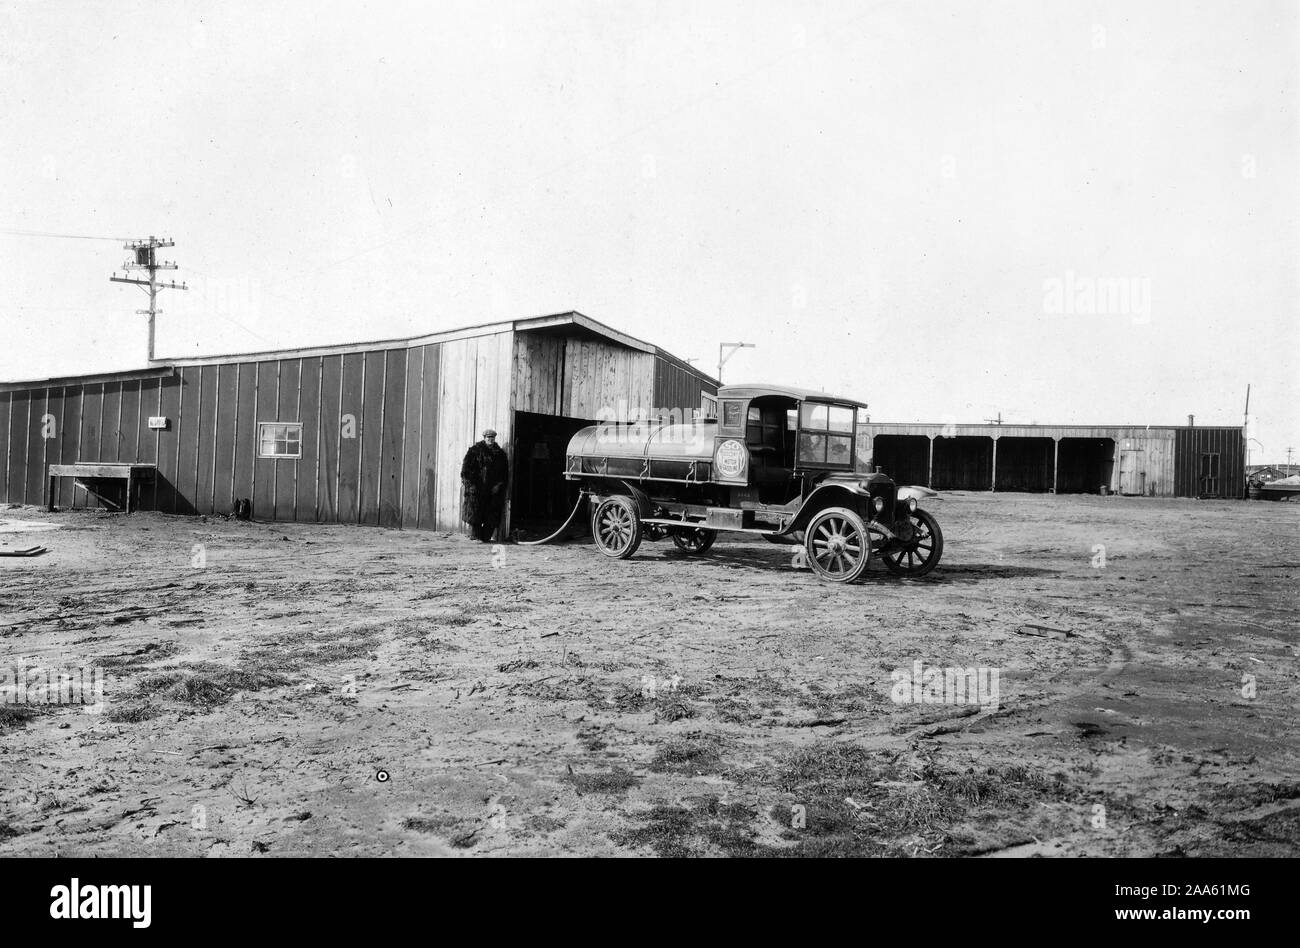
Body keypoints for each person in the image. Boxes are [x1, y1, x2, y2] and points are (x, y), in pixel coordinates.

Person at [460, 428, 509, 541]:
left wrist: (498, 485)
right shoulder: (474, 451)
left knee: (491, 515)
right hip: (477, 489)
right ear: (484, 438)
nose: (490, 439)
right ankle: (476, 536)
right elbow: (466, 470)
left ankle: (486, 537)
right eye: (488, 437)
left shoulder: (500, 454)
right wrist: (471, 485)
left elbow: (504, 474)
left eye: (492, 437)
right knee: (475, 513)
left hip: (493, 491)